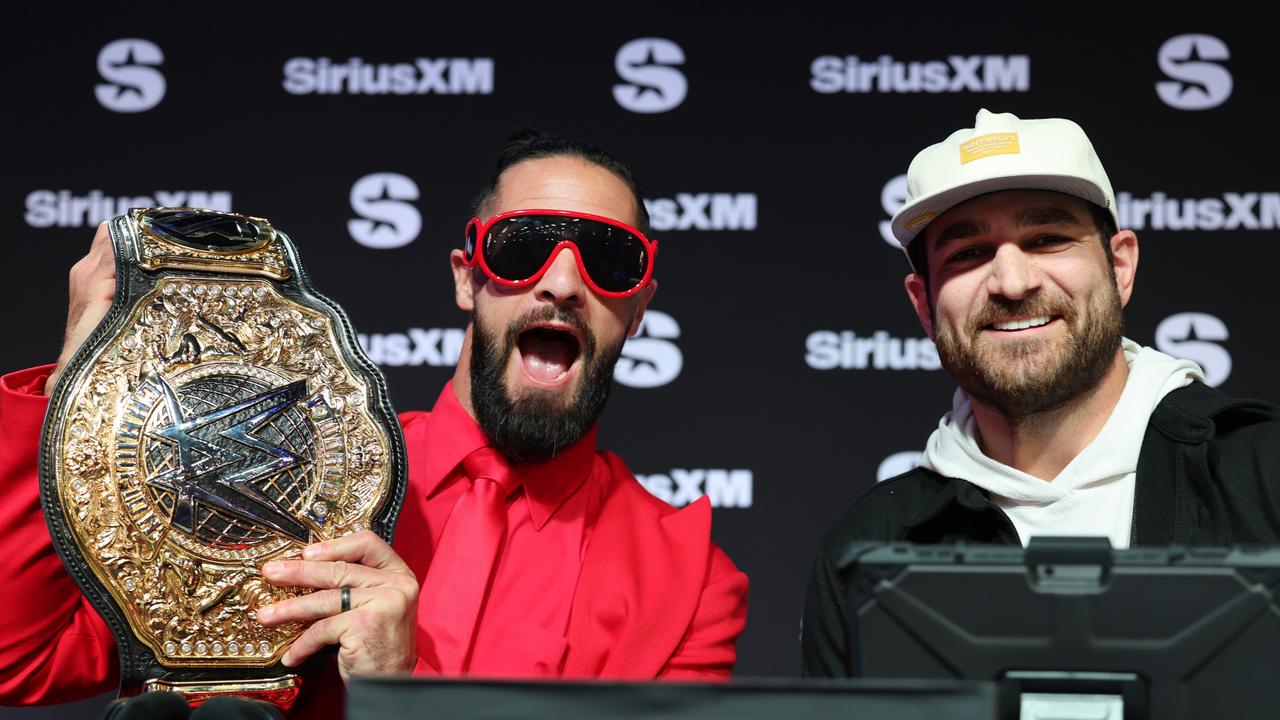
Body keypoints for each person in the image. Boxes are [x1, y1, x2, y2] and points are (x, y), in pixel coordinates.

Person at [0, 131, 748, 715]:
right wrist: (81, 379)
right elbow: (18, 659)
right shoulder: (286, 470)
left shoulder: (689, 583)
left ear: (640, 307)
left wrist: (401, 691)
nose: (560, 283)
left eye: (607, 261)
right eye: (524, 250)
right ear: (468, 275)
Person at [801, 109, 1280, 676]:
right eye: (968, 253)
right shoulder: (868, 547)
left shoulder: (1266, 475)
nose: (1012, 282)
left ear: (1120, 267)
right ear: (924, 304)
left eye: (1047, 239)